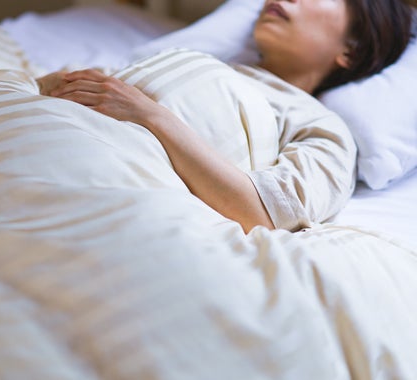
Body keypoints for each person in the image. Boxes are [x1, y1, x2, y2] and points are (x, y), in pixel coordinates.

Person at [36, 0, 414, 233]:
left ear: (353, 46)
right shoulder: (198, 62)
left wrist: (149, 115)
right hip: (45, 134)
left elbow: (262, 213)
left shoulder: (322, 127)